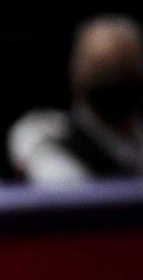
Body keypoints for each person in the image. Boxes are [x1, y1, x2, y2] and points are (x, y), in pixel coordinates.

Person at [9, 14, 142, 184]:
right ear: (75, 72)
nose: (114, 77)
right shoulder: (51, 148)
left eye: (124, 68)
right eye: (101, 68)